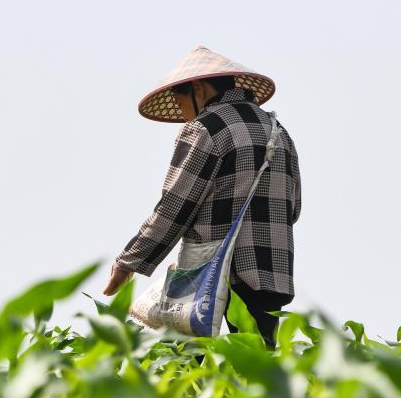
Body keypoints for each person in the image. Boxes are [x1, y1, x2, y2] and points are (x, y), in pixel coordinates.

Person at [103, 46, 301, 348]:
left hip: (208, 275)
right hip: (270, 270)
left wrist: (129, 261)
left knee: (184, 364)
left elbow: (174, 207)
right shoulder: (278, 131)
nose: (182, 112)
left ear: (198, 87)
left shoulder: (206, 128)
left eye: (180, 99)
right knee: (258, 369)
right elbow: (293, 207)